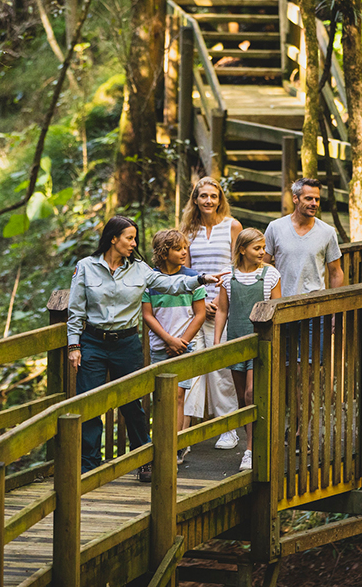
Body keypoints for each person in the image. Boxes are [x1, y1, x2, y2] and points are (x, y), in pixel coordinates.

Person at [67, 216, 225, 480]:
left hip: (126, 343)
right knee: (90, 403)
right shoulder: (85, 267)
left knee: (132, 404)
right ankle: (88, 466)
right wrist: (74, 345)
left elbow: (171, 283)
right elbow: (75, 310)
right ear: (113, 238)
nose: (134, 243)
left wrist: (201, 279)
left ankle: (144, 459)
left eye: (135, 238)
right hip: (92, 342)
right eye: (129, 237)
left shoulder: (139, 268)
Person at [181, 176, 245, 451]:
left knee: (221, 369)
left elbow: (238, 267)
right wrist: (199, 303)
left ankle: (228, 428)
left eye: (213, 196)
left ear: (220, 199)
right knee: (192, 370)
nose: (208, 201)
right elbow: (187, 274)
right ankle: (183, 434)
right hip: (196, 309)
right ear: (195, 199)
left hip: (225, 308)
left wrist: (222, 301)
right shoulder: (188, 231)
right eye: (203, 196)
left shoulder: (232, 226)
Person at [214, 228, 282, 471]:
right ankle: (252, 443)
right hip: (235, 341)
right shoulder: (228, 277)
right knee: (243, 398)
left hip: (260, 343)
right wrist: (217, 342)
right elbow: (222, 310)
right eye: (257, 248)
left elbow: (277, 308)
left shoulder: (271, 275)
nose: (263, 252)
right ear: (242, 250)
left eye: (263, 247)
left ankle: (251, 450)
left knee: (253, 393)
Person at [141, 230, 207, 465]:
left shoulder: (193, 277)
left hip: (185, 345)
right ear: (163, 252)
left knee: (179, 395)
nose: (184, 252)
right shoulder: (150, 280)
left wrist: (182, 342)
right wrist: (169, 340)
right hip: (161, 345)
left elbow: (200, 314)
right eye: (178, 249)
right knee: (161, 396)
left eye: (185, 248)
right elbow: (148, 315)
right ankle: (161, 443)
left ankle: (176, 445)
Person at [263, 177, 344, 296]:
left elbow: (336, 272)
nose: (314, 204)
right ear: (295, 198)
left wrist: (337, 309)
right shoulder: (275, 227)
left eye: (317, 199)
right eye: (309, 199)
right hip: (282, 303)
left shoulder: (327, 231)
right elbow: (262, 266)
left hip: (316, 304)